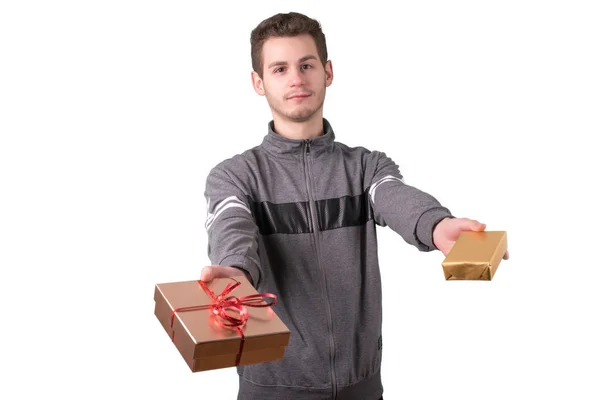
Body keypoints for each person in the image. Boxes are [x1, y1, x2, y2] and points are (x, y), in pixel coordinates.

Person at [200, 11, 509, 400]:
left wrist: (435, 225)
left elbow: (394, 196)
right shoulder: (234, 176)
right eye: (280, 69)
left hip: (361, 388)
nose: (296, 78)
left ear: (327, 72)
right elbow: (232, 227)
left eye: (306, 65)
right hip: (273, 390)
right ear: (258, 83)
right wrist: (236, 270)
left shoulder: (366, 167)